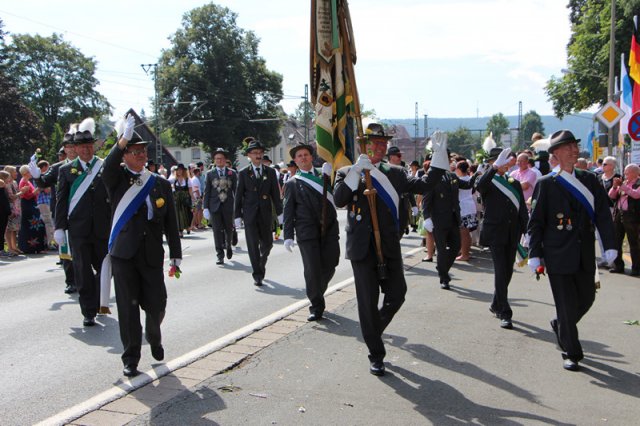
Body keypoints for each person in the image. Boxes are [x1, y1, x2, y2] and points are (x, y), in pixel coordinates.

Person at [333, 123, 447, 376]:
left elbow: (425, 184)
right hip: (362, 248)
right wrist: (356, 171)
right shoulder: (346, 171)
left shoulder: (395, 172)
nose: (380, 147)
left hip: (388, 243)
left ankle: (372, 331)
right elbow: (339, 199)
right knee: (368, 301)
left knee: (397, 294)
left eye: (383, 143)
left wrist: (439, 157)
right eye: (375, 143)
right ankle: (376, 353)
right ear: (363, 145)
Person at [528, 129, 616, 371]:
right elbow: (536, 222)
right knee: (566, 304)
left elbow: (603, 215)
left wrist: (609, 245)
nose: (574, 150)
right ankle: (571, 352)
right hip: (557, 253)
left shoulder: (589, 179)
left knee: (587, 298)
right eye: (568, 147)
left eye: (575, 146)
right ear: (555, 153)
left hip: (584, 253)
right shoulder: (546, 183)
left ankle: (561, 324)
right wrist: (534, 254)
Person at [102, 115, 182, 377]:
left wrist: (176, 255)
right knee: (128, 308)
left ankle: (154, 335)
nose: (141, 155)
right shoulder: (116, 179)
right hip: (124, 254)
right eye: (135, 151)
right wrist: (121, 140)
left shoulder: (159, 183)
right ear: (125, 155)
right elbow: (107, 166)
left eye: (143, 151)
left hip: (151, 254)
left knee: (157, 303)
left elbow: (171, 222)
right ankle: (131, 358)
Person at [55, 117, 110, 327]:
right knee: (82, 271)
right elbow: (61, 200)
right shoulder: (66, 170)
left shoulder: (103, 166)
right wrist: (60, 227)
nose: (86, 150)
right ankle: (88, 311)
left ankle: (96, 299)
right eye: (82, 146)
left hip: (102, 228)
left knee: (106, 269)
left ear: (93, 147)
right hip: (78, 229)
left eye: (89, 146)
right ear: (75, 149)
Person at [283, 144, 339, 321]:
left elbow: (339, 196)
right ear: (295, 161)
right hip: (307, 232)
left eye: (306, 154)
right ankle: (316, 305)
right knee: (312, 269)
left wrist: (332, 176)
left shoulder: (325, 176)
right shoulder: (292, 183)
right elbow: (288, 211)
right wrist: (288, 236)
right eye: (299, 156)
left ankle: (317, 291)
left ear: (311, 157)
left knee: (331, 263)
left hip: (329, 228)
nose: (303, 158)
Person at [476, 148, 528, 329]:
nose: (507, 164)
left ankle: (495, 303)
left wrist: (527, 231)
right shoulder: (487, 180)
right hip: (495, 232)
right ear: (493, 161)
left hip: (513, 232)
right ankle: (505, 311)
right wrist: (494, 168)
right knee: (500, 270)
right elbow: (480, 186)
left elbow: (521, 209)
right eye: (502, 160)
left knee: (507, 271)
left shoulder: (513, 182)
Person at [31, 130, 78, 293]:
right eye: (67, 147)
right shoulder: (58, 167)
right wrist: (37, 176)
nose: (70, 149)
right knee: (65, 250)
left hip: (84, 213)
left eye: (73, 146)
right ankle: (71, 281)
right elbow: (44, 182)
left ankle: (88, 278)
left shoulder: (87, 165)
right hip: (63, 213)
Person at [423, 153, 476, 289]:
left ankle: (442, 268)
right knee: (441, 249)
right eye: (447, 159)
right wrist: (426, 217)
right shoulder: (430, 178)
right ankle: (444, 278)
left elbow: (468, 185)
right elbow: (426, 199)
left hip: (453, 218)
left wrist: (477, 174)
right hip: (438, 219)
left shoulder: (452, 176)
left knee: (456, 246)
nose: (450, 162)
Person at [234, 138, 283, 286]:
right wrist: (237, 216)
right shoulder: (243, 173)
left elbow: (275, 194)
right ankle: (257, 274)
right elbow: (238, 195)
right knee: (253, 245)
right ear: (249, 155)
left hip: (265, 214)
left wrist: (280, 213)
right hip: (249, 215)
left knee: (268, 244)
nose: (258, 155)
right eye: (254, 153)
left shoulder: (270, 172)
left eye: (260, 152)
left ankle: (260, 264)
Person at [203, 148, 238, 265]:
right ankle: (219, 254)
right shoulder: (210, 174)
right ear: (214, 160)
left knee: (229, 228)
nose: (219, 161)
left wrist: (239, 206)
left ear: (225, 160)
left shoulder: (232, 173)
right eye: (217, 159)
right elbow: (207, 191)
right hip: (214, 206)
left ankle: (228, 245)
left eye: (221, 158)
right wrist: (205, 207)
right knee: (217, 230)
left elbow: (236, 191)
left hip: (228, 205)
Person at [608, 164, 640, 275]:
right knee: (616, 241)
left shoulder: (638, 183)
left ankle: (636, 268)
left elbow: (636, 195)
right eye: (625, 172)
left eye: (627, 172)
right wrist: (614, 187)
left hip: (632, 216)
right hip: (619, 214)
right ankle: (618, 266)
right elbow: (611, 196)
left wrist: (622, 186)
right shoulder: (624, 183)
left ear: (635, 173)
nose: (625, 174)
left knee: (634, 242)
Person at [17, 165, 47, 254]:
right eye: (30, 171)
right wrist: (36, 190)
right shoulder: (23, 182)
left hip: (32, 204)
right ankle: (29, 247)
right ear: (26, 173)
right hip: (28, 205)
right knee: (32, 225)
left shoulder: (27, 181)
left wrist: (36, 191)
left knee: (38, 225)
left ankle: (37, 247)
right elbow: (27, 196)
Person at [455, 160, 477, 261]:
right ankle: (465, 252)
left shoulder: (460, 180)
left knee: (464, 232)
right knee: (466, 232)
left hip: (463, 207)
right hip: (470, 206)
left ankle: (465, 254)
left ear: (459, 169)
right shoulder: (469, 178)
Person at [3, 166, 24, 255]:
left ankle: (14, 247)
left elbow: (16, 195)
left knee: (14, 229)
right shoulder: (6, 184)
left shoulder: (14, 182)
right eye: (15, 171)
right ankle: (10, 248)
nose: (16, 173)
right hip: (10, 208)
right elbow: (11, 197)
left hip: (16, 208)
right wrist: (22, 192)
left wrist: (20, 193)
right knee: (8, 229)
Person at [168, 164, 193, 237]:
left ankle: (187, 227)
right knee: (178, 215)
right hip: (177, 200)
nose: (179, 171)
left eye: (180, 170)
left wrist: (193, 199)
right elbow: (166, 183)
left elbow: (190, 191)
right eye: (177, 170)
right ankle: (180, 231)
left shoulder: (187, 179)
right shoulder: (173, 179)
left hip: (185, 199)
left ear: (183, 171)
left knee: (187, 213)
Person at [0, 171, 13, 257]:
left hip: (3, 212)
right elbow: (4, 202)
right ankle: (1, 250)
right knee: (1, 231)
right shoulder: (2, 191)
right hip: (2, 213)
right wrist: (8, 211)